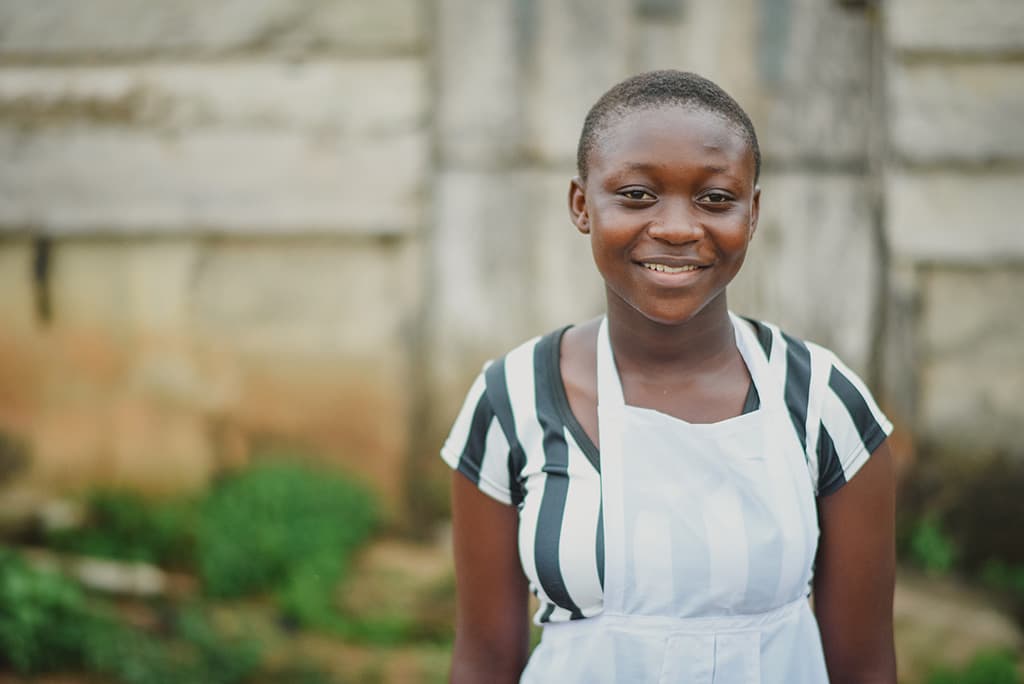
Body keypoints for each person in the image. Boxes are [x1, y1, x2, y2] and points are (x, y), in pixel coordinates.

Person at [441, 70, 896, 683]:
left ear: (752, 212)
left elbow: (864, 667)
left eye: (714, 198)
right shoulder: (511, 401)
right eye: (636, 194)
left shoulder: (823, 402)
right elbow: (484, 660)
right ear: (581, 205)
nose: (678, 227)